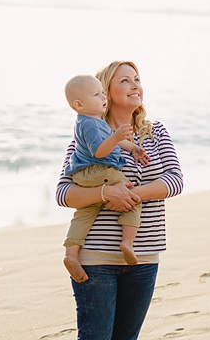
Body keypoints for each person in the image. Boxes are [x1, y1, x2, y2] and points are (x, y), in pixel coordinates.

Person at [56, 61, 184, 340]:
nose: (134, 84)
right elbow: (63, 193)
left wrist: (131, 195)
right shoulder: (88, 133)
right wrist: (105, 194)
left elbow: (175, 181)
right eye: (124, 80)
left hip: (144, 255)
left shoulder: (156, 132)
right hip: (96, 258)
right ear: (104, 91)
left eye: (137, 79)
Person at [62, 74, 151, 281]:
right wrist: (117, 136)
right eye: (97, 94)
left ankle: (71, 254)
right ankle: (127, 242)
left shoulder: (94, 121)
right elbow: (100, 151)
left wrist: (133, 147)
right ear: (79, 104)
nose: (103, 97)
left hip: (85, 176)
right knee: (131, 198)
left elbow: (117, 143)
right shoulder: (90, 124)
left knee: (84, 215)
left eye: (102, 93)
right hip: (100, 171)